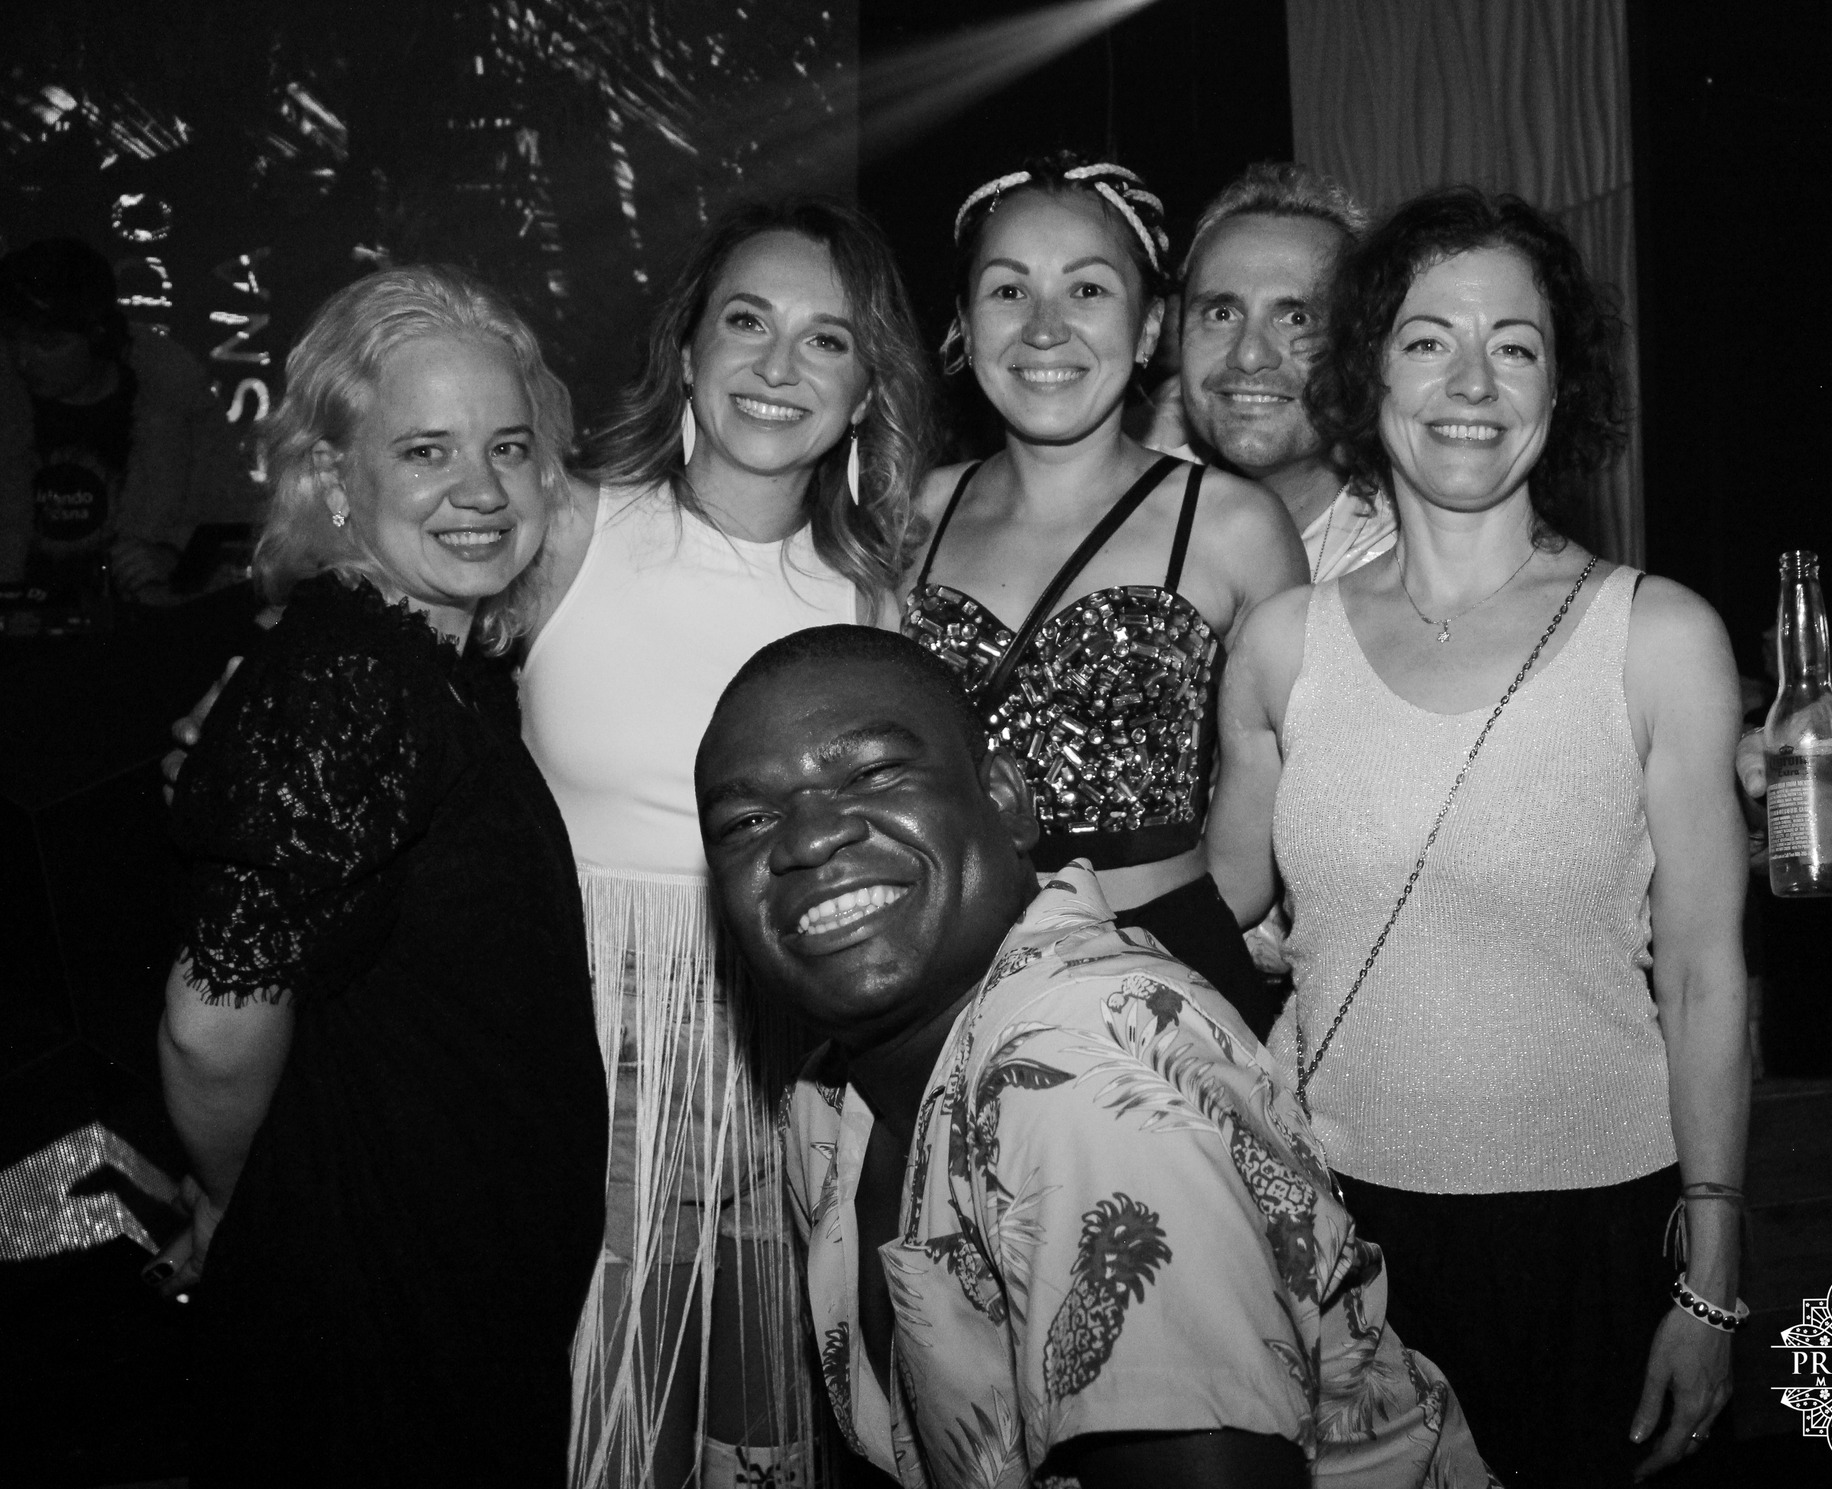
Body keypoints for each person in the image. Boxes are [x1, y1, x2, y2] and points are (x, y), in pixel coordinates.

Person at [1206, 187, 1747, 1486]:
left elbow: (1704, 974)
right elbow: (1208, 922)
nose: (1470, 382)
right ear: (1368, 372)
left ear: (1560, 387)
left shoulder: (1659, 636)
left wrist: (1714, 1273)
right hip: (1335, 1224)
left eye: (1514, 345)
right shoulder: (1279, 646)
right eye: (1426, 339)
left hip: (1593, 1229)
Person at [694, 624, 1494, 1489]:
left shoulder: (1087, 1074)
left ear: (1005, 801)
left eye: (874, 773)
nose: (808, 839)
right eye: (748, 819)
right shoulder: (826, 1098)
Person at [151, 265, 607, 1484]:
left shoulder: (432, 664)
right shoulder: (354, 680)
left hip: (444, 1295)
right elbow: (209, 1022)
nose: (482, 490)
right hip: (370, 1321)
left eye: (509, 446)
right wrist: (240, 1202)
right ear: (332, 480)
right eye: (424, 451)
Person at [520, 197, 932, 1488]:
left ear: (864, 390)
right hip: (566, 1054)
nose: (777, 364)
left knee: (754, 1438)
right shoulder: (567, 528)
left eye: (827, 340)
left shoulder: (873, 603)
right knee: (590, 1413)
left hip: (775, 1071)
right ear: (688, 346)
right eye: (748, 321)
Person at [903, 154, 1307, 1035]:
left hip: (1159, 994)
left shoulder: (1235, 526)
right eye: (1009, 291)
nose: (1045, 328)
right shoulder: (914, 515)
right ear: (965, 323)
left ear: (1151, 324)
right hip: (949, 988)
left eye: (1087, 290)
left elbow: (1261, 843)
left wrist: (1136, 970)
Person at [0, 237, 250, 602]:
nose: (24, 360)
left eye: (48, 344)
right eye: (12, 340)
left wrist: (175, 558)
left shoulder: (175, 407)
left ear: (98, 336)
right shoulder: (10, 405)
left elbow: (230, 527)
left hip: (141, 630)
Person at [1177, 163, 1392, 584]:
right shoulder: (1121, 517)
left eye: (1296, 319)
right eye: (1222, 314)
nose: (1249, 355)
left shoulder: (1410, 564)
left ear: (1363, 346)